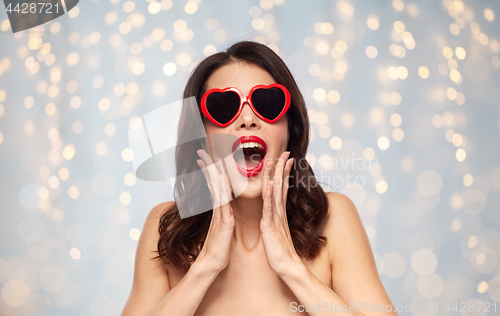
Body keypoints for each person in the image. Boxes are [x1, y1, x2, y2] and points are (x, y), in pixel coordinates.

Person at [122, 41, 397, 316]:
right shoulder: (167, 228)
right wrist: (205, 267)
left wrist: (292, 268)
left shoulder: (334, 218)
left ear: (291, 127)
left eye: (267, 103)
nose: (247, 119)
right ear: (200, 136)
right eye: (222, 107)